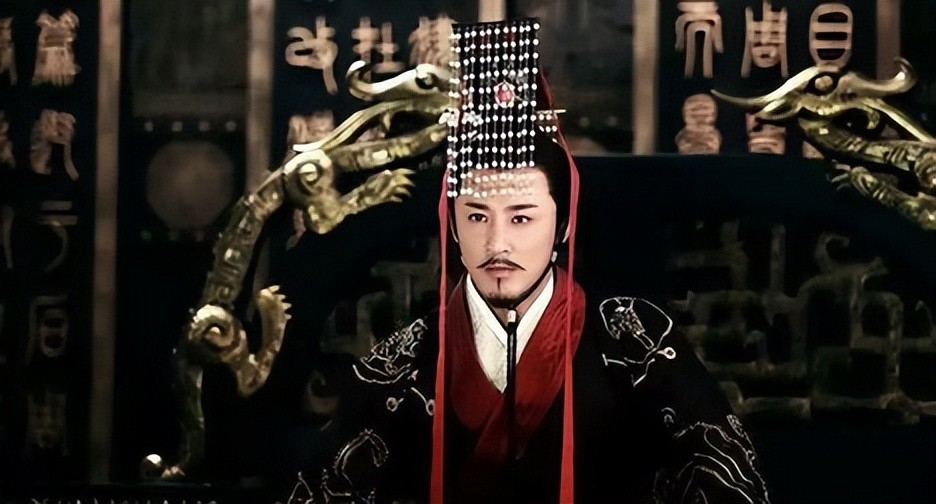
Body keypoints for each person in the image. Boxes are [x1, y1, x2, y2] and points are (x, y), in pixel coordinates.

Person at [283, 19, 770, 504]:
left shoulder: (630, 343)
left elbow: (727, 475)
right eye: (477, 216)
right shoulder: (404, 363)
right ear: (452, 224)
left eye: (521, 218)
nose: (497, 243)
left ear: (562, 225)